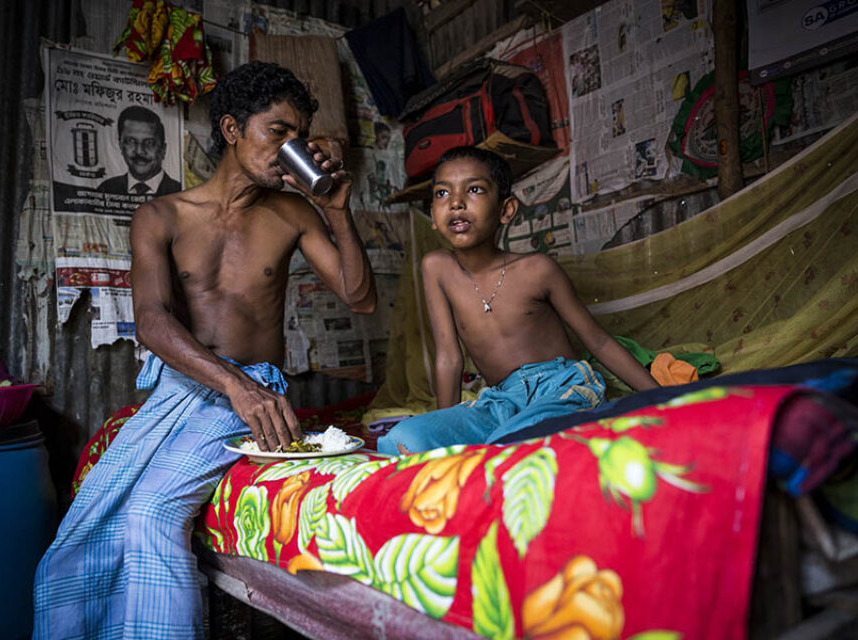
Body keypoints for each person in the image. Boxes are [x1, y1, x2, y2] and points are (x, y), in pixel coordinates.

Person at [34, 62, 376, 639]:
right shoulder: (161, 215)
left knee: (150, 513)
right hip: (186, 386)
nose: (289, 149)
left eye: (298, 136)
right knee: (83, 528)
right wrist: (234, 386)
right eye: (277, 133)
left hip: (253, 384)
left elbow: (360, 298)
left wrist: (337, 211)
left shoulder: (294, 214)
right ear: (232, 129)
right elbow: (152, 321)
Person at [377, 147, 658, 455]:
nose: (456, 202)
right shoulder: (436, 268)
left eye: (474, 189)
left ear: (505, 210)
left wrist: (661, 398)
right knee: (402, 439)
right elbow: (448, 357)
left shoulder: (537, 269)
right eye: (443, 193)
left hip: (561, 389)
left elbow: (599, 342)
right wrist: (448, 431)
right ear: (432, 214)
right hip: (500, 400)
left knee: (514, 440)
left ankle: (516, 441)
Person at [98, 105, 182, 196]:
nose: (139, 151)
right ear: (121, 145)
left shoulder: (180, 192)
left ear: (163, 149)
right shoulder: (105, 189)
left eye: (149, 142)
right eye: (131, 141)